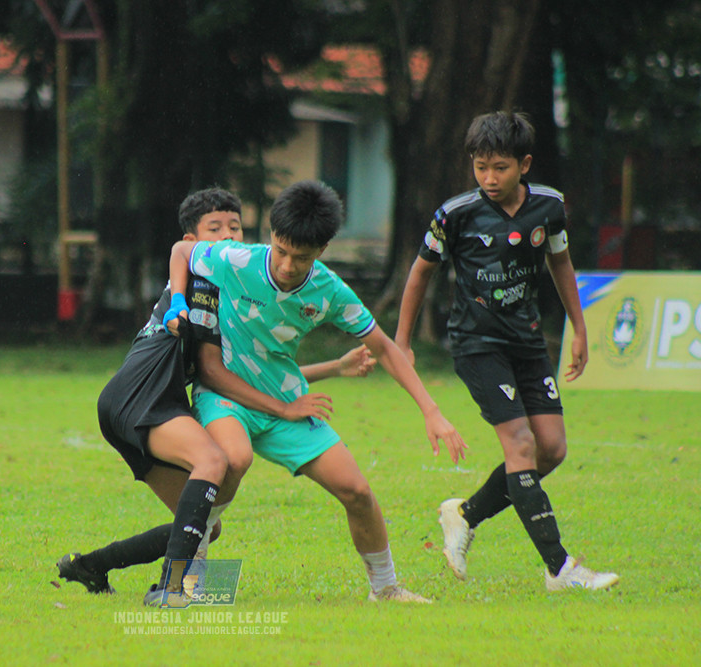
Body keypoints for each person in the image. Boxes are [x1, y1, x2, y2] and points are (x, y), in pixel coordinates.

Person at [58, 188, 372, 601]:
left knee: (207, 521)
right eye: (214, 228)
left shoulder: (228, 287)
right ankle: (175, 590)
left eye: (235, 227)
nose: (227, 236)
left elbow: (246, 372)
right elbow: (212, 371)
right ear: (193, 241)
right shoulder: (199, 286)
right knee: (215, 461)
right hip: (140, 398)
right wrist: (176, 303)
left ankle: (91, 565)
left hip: (149, 404)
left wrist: (333, 368)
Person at [165, 179, 468, 604]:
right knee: (233, 458)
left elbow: (384, 348)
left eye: (301, 258)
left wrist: (431, 411)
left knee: (357, 492)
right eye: (282, 251)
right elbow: (182, 251)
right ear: (271, 235)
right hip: (227, 395)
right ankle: (190, 574)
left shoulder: (329, 291)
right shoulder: (237, 259)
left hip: (287, 401)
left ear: (322, 251)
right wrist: (179, 299)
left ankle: (385, 588)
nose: (288, 266)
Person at [394, 110, 619, 591]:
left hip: (528, 341)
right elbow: (419, 273)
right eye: (480, 167)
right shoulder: (455, 214)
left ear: (525, 164)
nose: (489, 178)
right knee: (520, 445)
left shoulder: (550, 206)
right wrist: (402, 343)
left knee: (551, 449)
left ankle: (465, 514)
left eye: (499, 167)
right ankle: (561, 569)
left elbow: (560, 262)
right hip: (477, 345)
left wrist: (579, 328)